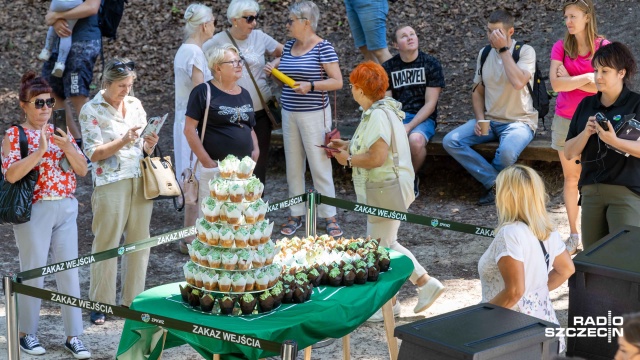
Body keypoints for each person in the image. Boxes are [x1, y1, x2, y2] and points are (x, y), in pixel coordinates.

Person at [331, 62, 444, 322]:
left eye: (352, 85)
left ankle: (416, 288)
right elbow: (372, 145)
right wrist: (347, 144)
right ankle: (400, 298)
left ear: (360, 89)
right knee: (383, 244)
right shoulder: (379, 110)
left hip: (385, 188)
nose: (351, 89)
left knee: (381, 246)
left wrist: (347, 159)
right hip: (386, 187)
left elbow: (377, 157)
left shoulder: (378, 114)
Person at [2, 71, 90, 358]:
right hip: (34, 210)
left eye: (49, 102)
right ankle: (26, 333)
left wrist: (67, 146)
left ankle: (73, 336)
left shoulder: (61, 132)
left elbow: (83, 169)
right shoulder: (15, 134)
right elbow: (12, 174)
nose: (44, 109)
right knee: (34, 272)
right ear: (23, 104)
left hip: (65, 206)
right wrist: (40, 151)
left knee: (69, 272)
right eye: (38, 103)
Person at [79, 58, 159, 325]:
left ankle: (132, 301)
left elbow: (141, 148)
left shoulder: (136, 105)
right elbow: (93, 153)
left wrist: (150, 143)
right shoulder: (91, 110)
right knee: (107, 243)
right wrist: (123, 140)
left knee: (139, 243)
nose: (127, 90)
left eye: (130, 84)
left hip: (140, 179)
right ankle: (100, 304)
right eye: (122, 85)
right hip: (110, 183)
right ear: (106, 83)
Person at [264, 1, 344, 237]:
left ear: (306, 23)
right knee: (293, 166)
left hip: (314, 114)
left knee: (319, 164)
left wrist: (311, 85)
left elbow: (337, 81)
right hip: (290, 113)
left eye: (291, 21)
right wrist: (275, 73)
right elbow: (286, 81)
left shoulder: (323, 48)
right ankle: (296, 213)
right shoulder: (288, 47)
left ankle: (329, 216)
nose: (287, 25)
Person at [442, 9, 537, 206]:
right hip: (491, 121)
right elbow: (477, 91)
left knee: (507, 153)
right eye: (489, 31)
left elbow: (519, 82)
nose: (491, 37)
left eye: (497, 33)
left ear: (510, 32)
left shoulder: (525, 51)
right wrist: (479, 118)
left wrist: (503, 51)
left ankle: (494, 186)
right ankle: (496, 184)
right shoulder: (484, 53)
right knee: (451, 141)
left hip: (520, 122)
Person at [478, 164, 575, 353]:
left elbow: (515, 291)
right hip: (544, 328)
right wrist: (534, 293)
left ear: (507, 195)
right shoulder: (546, 228)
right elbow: (567, 269)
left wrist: (478, 319)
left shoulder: (510, 233)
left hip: (510, 333)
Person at [564, 42, 640, 250]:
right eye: (596, 70)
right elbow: (569, 152)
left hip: (626, 191)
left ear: (621, 73)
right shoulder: (586, 105)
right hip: (591, 192)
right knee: (593, 256)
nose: (598, 76)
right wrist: (585, 133)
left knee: (623, 256)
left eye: (605, 71)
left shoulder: (637, 104)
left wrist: (614, 141)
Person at [549, 0, 608, 255]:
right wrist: (586, 78)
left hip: (597, 120)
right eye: (566, 17)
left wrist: (572, 80)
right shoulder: (561, 47)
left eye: (573, 16)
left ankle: (600, 234)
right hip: (566, 120)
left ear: (587, 17)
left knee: (598, 178)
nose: (568, 21)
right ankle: (574, 236)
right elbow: (555, 85)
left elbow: (603, 86)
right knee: (572, 179)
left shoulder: (604, 47)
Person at [204, 0, 284, 185]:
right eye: (248, 19)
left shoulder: (260, 37)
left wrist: (273, 64)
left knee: (259, 161)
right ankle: (233, 204)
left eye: (255, 18)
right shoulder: (217, 41)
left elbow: (287, 52)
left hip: (261, 112)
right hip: (232, 112)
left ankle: (257, 207)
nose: (253, 23)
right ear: (234, 19)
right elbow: (203, 65)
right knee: (235, 161)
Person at [184, 44, 259, 213]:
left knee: (241, 218)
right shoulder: (203, 91)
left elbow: (250, 126)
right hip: (216, 168)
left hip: (244, 170)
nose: (239, 65)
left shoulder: (245, 93)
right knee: (215, 220)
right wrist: (207, 163)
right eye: (233, 62)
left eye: (239, 61)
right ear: (218, 67)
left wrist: (256, 150)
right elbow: (189, 130)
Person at [382, 25, 445, 197]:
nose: (410, 38)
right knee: (381, 138)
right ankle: (385, 181)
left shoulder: (431, 64)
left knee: (415, 141)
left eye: (412, 34)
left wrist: (408, 127)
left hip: (423, 118)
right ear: (395, 44)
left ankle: (410, 178)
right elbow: (387, 102)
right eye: (404, 36)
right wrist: (395, 124)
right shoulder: (388, 67)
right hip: (397, 115)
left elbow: (430, 104)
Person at [174, 3, 215, 254]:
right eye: (213, 21)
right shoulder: (193, 52)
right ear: (204, 25)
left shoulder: (189, 49)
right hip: (193, 120)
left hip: (188, 117)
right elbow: (203, 93)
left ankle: (193, 233)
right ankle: (190, 237)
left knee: (194, 175)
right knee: (194, 176)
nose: (215, 26)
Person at [41, 0, 101, 150]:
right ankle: (75, 143)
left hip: (84, 40)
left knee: (77, 93)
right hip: (59, 42)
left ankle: (96, 146)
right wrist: (55, 20)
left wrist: (57, 16)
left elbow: (91, 7)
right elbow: (52, 11)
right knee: (51, 93)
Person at [38, 0, 83, 77]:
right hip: (76, 5)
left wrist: (56, 16)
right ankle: (60, 63)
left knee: (54, 24)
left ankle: (47, 50)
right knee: (66, 33)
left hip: (59, 2)